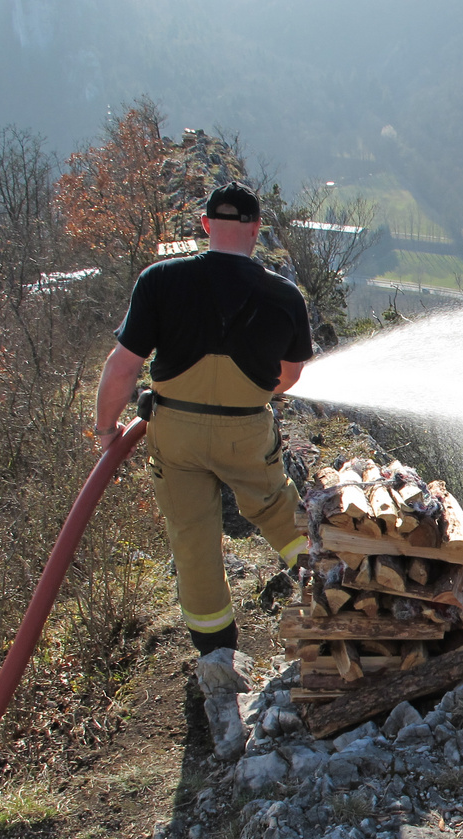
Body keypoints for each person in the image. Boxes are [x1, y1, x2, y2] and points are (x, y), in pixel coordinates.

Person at [95, 181, 312, 655]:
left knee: (192, 538)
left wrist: (107, 429)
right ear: (256, 230)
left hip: (175, 435)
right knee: (278, 509)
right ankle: (327, 585)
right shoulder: (284, 295)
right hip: (246, 431)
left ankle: (216, 650)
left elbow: (123, 367)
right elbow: (290, 376)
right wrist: (245, 396)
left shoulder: (159, 280)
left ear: (206, 225)